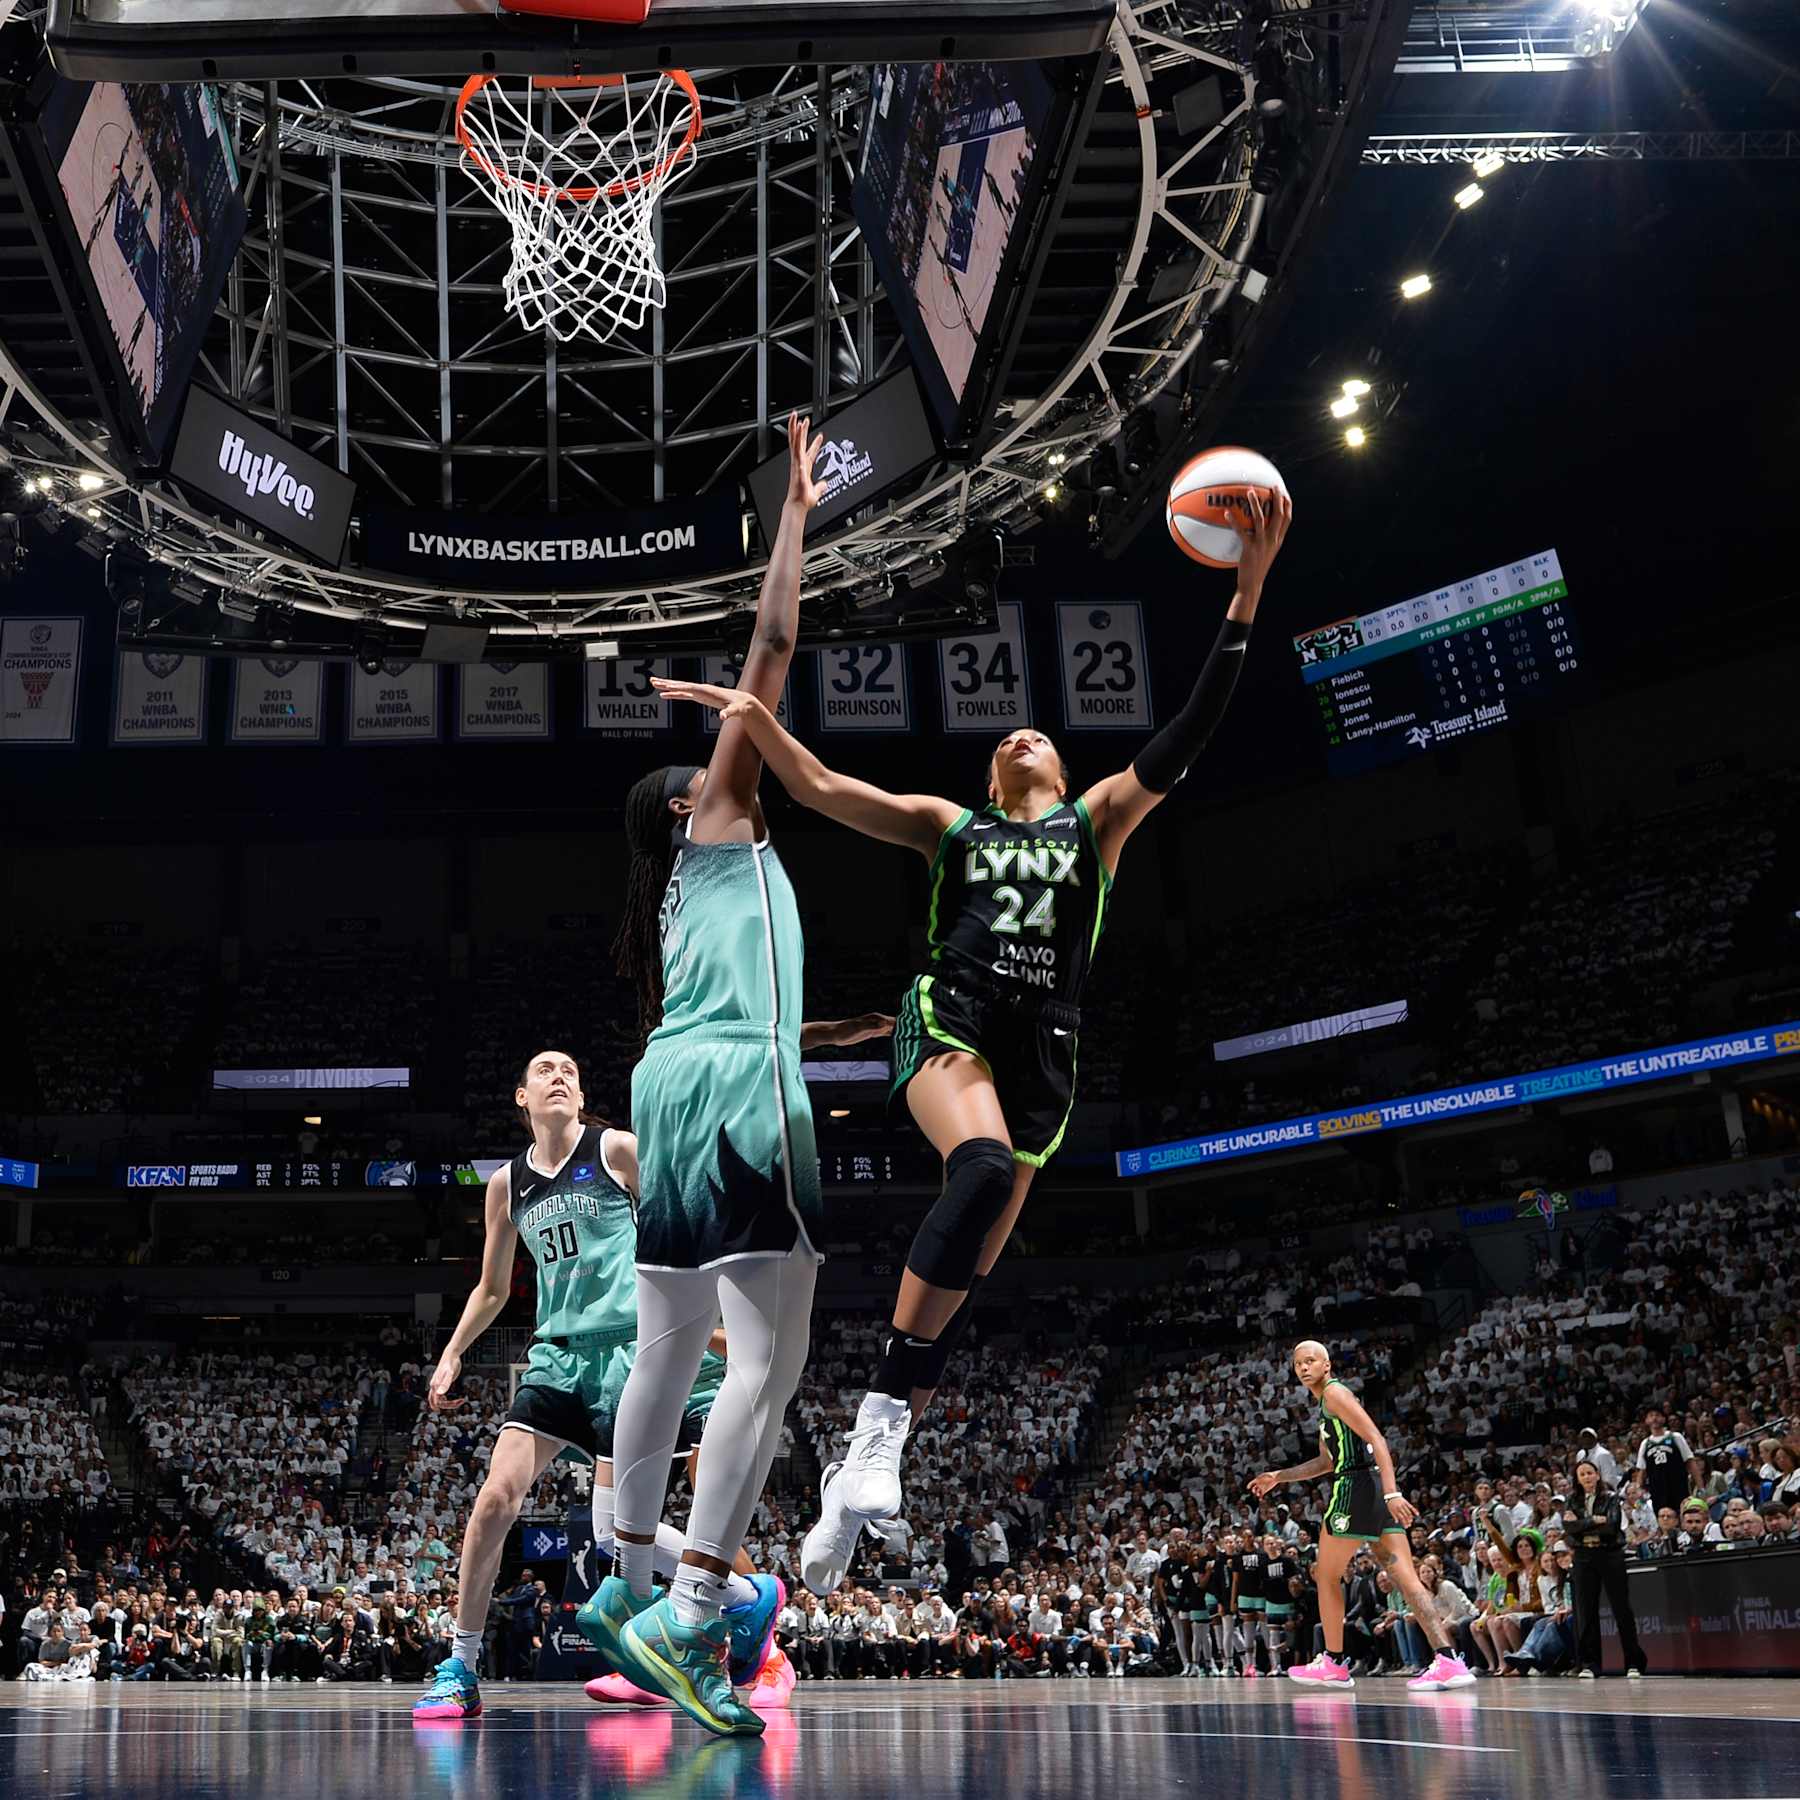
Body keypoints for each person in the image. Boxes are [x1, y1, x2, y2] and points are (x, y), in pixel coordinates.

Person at [655, 493, 1293, 1596]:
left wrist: (1246, 592)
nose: (1016, 736)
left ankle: (854, 1487)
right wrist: (748, 720)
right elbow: (823, 789)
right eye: (1005, 737)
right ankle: (873, 1438)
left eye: (1033, 733)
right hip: (948, 1022)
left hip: (1048, 1053)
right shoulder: (955, 824)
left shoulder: (1095, 821)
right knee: (982, 1166)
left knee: (973, 1268)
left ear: (1055, 764)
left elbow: (1185, 737)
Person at [594, 411, 831, 1739]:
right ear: (689, 803)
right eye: (704, 767)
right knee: (768, 1354)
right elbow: (776, 652)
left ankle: (627, 1589)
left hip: (670, 1085)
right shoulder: (720, 819)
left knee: (668, 1340)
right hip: (738, 1085)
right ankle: (691, 1614)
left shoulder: (676, 893)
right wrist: (792, 512)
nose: (723, 756)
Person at [413, 1037, 858, 1722]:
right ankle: (460, 1667)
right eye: (543, 1070)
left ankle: (751, 1626)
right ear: (522, 1099)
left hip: (636, 1353)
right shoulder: (507, 1184)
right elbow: (492, 1287)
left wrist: (715, 1305)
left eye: (570, 1069)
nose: (558, 1075)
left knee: (644, 1521)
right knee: (497, 1502)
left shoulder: (614, 1149)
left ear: (583, 1096)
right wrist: (451, 1354)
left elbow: (687, 1217)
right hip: (559, 1358)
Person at [1249, 1339, 1476, 1690]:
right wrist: (1278, 1476)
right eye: (1298, 1364)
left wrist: (1393, 1492)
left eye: (1311, 1361)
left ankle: (1334, 1663)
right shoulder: (1325, 1405)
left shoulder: (1336, 1394)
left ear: (1327, 1366)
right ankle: (1448, 1660)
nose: (1304, 1368)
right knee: (1406, 1577)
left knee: (1325, 1575)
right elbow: (1325, 1462)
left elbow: (1377, 1439)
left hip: (1356, 1487)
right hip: (1367, 1487)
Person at [1568, 1457, 1647, 1679]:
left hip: (1609, 1554)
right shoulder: (1572, 1500)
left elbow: (1611, 1526)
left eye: (1590, 1473)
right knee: (1586, 1611)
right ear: (1577, 1478)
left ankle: (1633, 1662)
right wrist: (1594, 1521)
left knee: (1621, 1608)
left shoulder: (1611, 1498)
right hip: (1583, 1557)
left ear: (1597, 1475)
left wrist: (1582, 1524)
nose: (1586, 1477)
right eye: (1582, 1474)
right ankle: (1590, 1664)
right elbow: (1569, 1528)